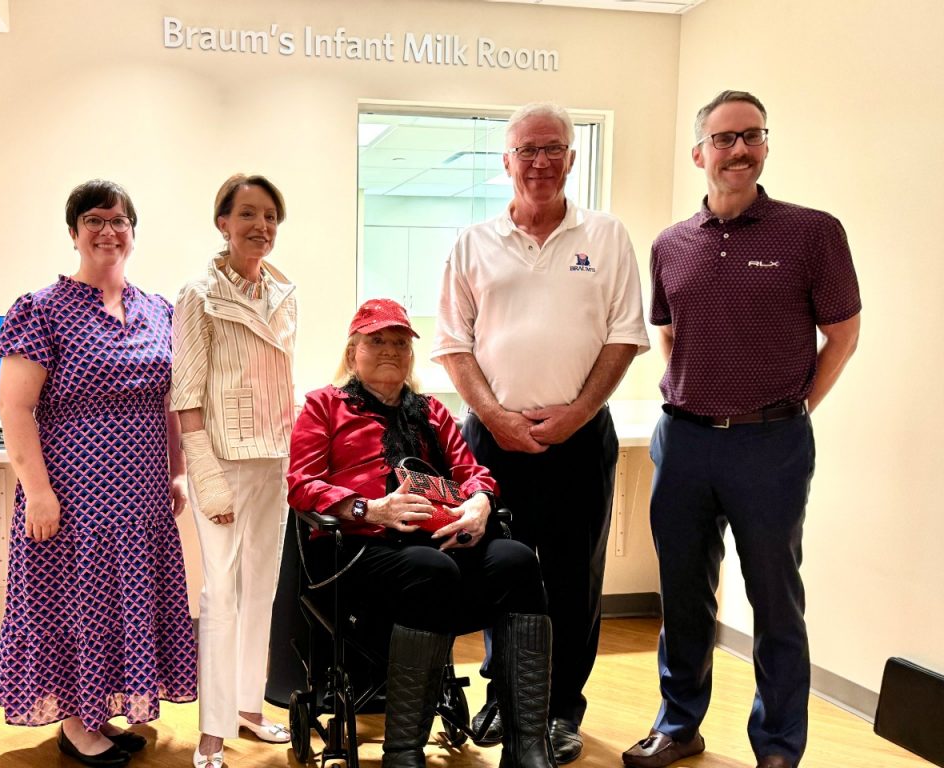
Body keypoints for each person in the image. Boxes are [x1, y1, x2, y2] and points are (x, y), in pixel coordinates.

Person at [621, 91, 861, 768]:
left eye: (752, 136)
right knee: (684, 594)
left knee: (775, 600)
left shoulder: (812, 232)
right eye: (724, 139)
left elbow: (842, 336)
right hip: (686, 441)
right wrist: (697, 397)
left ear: (765, 146)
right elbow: (669, 333)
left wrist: (792, 407)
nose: (739, 150)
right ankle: (678, 724)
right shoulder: (670, 244)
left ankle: (779, 744)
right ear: (699, 153)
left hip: (772, 444)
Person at [432, 102, 650, 763]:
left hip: (579, 439)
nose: (540, 161)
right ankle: (505, 697)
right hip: (493, 441)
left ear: (572, 157)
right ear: (507, 162)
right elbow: (452, 345)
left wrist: (577, 413)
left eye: (553, 147)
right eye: (527, 150)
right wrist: (496, 418)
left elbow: (624, 336)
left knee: (573, 577)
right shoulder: (473, 244)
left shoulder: (606, 237)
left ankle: (560, 712)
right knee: (500, 569)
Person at [287, 298, 555, 768]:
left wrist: (478, 505)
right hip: (356, 549)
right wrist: (372, 509)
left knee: (518, 560)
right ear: (353, 354)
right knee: (431, 570)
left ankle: (527, 746)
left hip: (437, 543)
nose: (390, 350)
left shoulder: (432, 412)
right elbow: (301, 485)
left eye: (399, 343)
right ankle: (403, 753)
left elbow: (475, 473)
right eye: (376, 341)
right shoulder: (323, 406)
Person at [0, 179, 197, 767]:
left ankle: (102, 715)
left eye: (118, 219)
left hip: (141, 496)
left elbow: (171, 402)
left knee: (122, 602)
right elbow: (15, 407)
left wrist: (176, 474)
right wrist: (37, 491)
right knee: (78, 603)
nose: (107, 230)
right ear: (74, 232)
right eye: (93, 219)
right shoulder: (40, 309)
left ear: (133, 231)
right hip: (72, 496)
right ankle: (79, 724)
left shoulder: (160, 310)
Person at [171, 173, 297, 768]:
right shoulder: (198, 295)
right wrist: (206, 474)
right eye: (247, 214)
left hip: (273, 462)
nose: (260, 227)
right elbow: (186, 396)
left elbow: (282, 384)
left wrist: (294, 460)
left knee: (262, 591)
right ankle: (212, 731)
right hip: (219, 461)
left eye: (270, 215)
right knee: (220, 593)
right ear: (223, 222)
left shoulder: (284, 293)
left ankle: (249, 705)